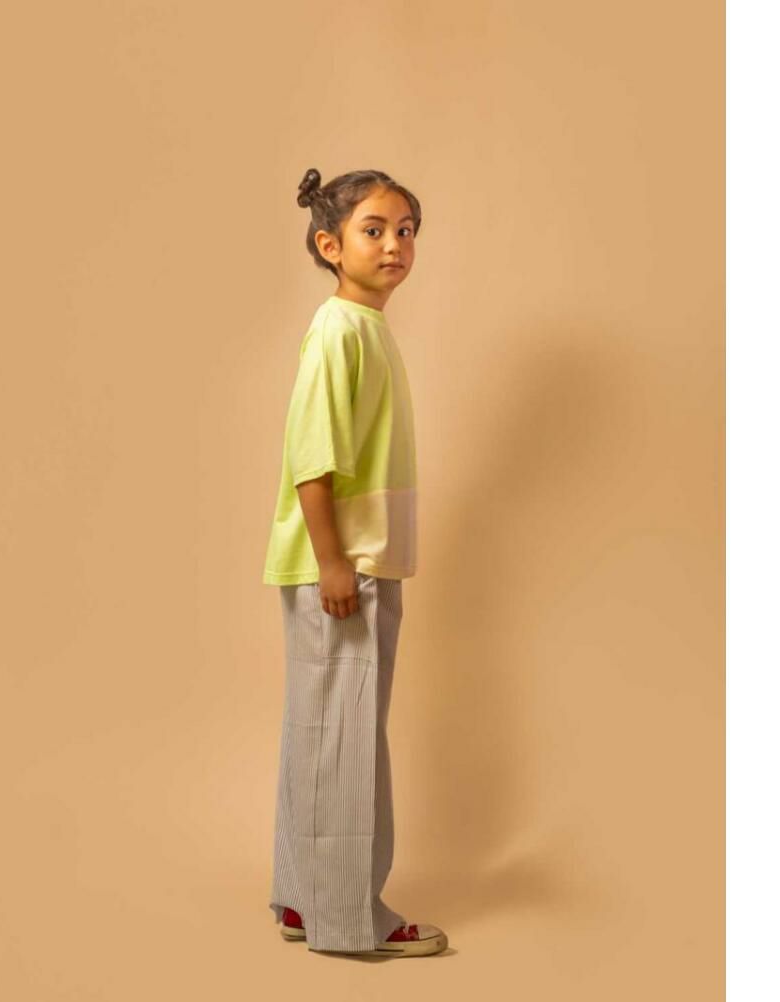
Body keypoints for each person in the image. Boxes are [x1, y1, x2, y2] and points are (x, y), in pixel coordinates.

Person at [262, 167, 448, 958]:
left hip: (357, 561)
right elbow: (313, 459)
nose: (394, 244)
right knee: (346, 744)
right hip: (345, 568)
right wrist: (335, 563)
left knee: (324, 733)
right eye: (374, 230)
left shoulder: (364, 327)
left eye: (406, 230)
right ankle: (346, 919)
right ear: (330, 245)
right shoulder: (338, 331)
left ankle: (303, 900)